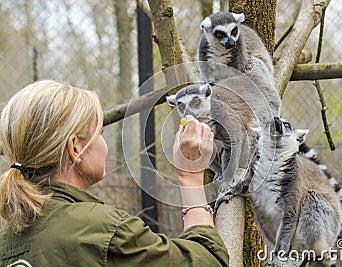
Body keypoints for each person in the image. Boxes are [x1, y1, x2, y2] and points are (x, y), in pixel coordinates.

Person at [0, 80, 228, 266]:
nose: (104, 144)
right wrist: (190, 177)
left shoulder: (7, 238)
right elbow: (209, 261)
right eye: (98, 133)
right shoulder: (102, 232)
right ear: (75, 148)